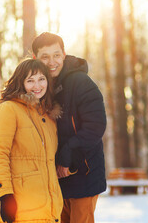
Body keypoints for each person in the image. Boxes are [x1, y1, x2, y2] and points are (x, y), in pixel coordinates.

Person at [32, 32, 107, 223]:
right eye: (45, 57)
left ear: (64, 54)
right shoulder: (41, 89)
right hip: (57, 179)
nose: (52, 62)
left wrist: (68, 154)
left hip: (83, 173)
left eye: (56, 55)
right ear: (35, 59)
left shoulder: (81, 83)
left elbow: (96, 127)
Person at [0, 59, 63, 223]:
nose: (37, 85)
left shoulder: (48, 118)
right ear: (21, 83)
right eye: (30, 80)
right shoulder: (8, 109)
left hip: (51, 210)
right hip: (21, 209)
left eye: (41, 79)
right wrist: (5, 194)